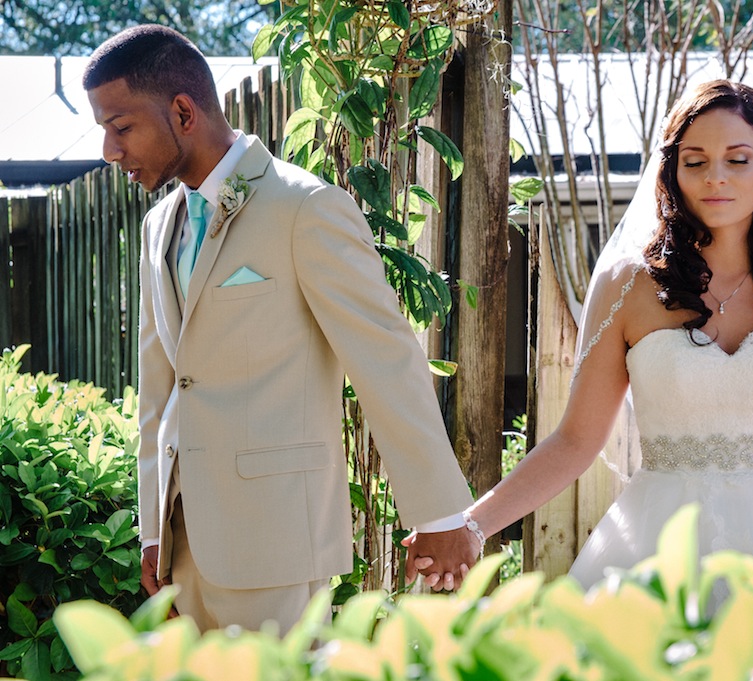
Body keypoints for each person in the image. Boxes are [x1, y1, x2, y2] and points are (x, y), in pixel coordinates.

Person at [83, 25, 477, 633]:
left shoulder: (305, 208)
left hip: (275, 546)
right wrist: (152, 526)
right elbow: (160, 385)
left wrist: (441, 514)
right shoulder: (158, 226)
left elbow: (387, 360)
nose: (110, 150)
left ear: (183, 112)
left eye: (120, 126)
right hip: (182, 549)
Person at [423, 80, 753, 592]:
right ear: (672, 169)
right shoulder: (628, 285)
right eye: (696, 160)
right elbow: (575, 441)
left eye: (738, 159)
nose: (715, 177)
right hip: (657, 545)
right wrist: (472, 525)